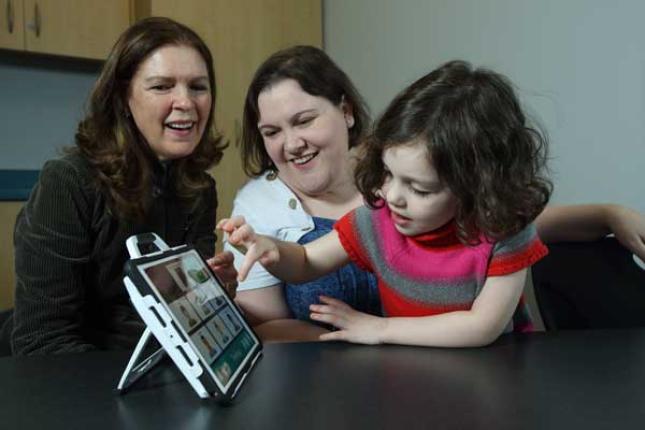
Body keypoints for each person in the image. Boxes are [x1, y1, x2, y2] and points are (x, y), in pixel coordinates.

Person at [222, 45, 645, 343]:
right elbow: (309, 260)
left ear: (473, 190)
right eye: (387, 176)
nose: (392, 196)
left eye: (419, 188)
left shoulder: (500, 232)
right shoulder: (377, 217)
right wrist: (271, 249)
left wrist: (379, 329)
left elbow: (482, 327)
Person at [8, 17, 236, 355]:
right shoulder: (67, 183)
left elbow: (180, 315)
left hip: (156, 368)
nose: (186, 102)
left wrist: (213, 294)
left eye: (198, 87)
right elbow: (41, 341)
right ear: (122, 98)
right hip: (78, 377)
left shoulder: (199, 188)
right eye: (162, 86)